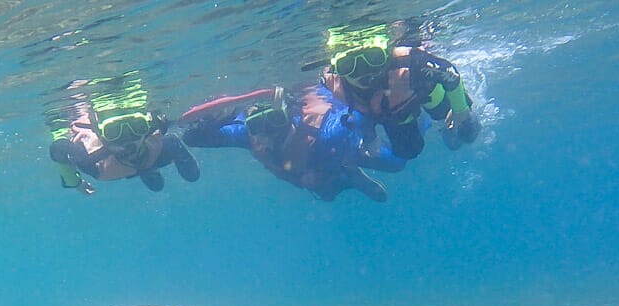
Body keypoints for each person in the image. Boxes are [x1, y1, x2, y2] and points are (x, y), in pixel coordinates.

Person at [181, 86, 415, 203]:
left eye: (274, 121)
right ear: (248, 125)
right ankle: (351, 178)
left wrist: (369, 137)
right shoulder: (247, 135)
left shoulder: (325, 131)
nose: (268, 133)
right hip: (315, 176)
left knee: (397, 163)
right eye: (256, 125)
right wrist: (224, 115)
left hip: (349, 151)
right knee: (325, 193)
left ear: (288, 116)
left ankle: (353, 171)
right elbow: (192, 138)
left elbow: (362, 115)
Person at [315, 24, 481, 160]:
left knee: (467, 132)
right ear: (337, 70)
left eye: (373, 58)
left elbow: (450, 74)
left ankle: (454, 119)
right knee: (408, 151)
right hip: (398, 111)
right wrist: (369, 136)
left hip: (425, 92)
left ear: (387, 55)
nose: (363, 72)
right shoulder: (333, 82)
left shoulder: (410, 63)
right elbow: (361, 111)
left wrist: (460, 110)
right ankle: (423, 121)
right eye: (348, 66)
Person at [47, 74, 200, 195]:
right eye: (114, 132)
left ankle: (147, 170)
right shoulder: (94, 161)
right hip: (147, 159)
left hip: (151, 156)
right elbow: (58, 149)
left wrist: (75, 183)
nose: (128, 139)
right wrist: (75, 183)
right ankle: (147, 170)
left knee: (176, 153)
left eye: (136, 127)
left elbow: (57, 149)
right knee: (162, 169)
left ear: (145, 129)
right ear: (102, 136)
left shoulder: (153, 135)